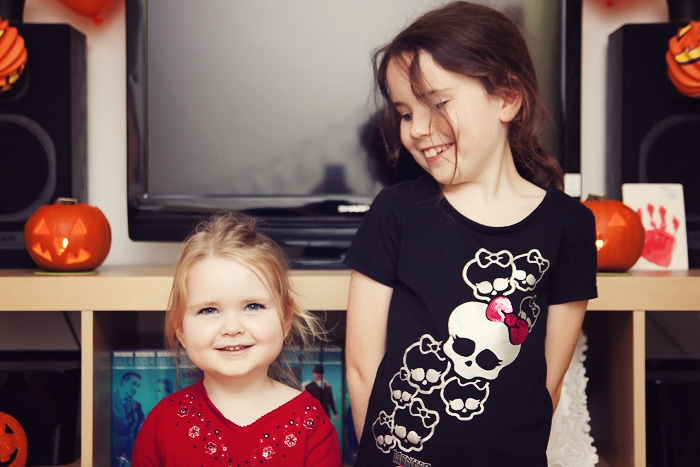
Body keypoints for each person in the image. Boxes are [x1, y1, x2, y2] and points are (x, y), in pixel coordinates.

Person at [343, 2, 598, 466]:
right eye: (405, 113)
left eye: (437, 104)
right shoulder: (395, 213)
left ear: (507, 98)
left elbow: (548, 382)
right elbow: (362, 370)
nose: (418, 130)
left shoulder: (570, 225)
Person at [131, 213, 342, 466]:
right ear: (181, 330)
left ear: (286, 319)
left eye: (253, 306)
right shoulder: (161, 422)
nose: (232, 329)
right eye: (209, 310)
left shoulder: (311, 423)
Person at [112, 371, 145, 466]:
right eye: (133, 384)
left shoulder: (137, 406)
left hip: (131, 453)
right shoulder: (108, 400)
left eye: (138, 386)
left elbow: (140, 429)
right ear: (124, 382)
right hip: (112, 452)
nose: (135, 388)